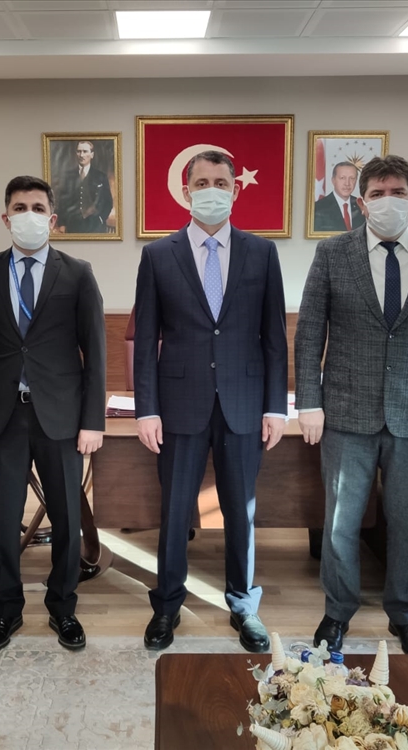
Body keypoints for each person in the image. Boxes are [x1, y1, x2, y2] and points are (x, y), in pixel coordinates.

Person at [294, 155, 408, 662]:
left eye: (396, 192)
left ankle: (406, 615)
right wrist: (309, 401)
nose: (387, 201)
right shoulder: (333, 253)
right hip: (346, 412)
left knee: (407, 523)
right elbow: (310, 332)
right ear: (361, 201)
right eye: (377, 194)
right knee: (340, 524)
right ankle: (337, 612)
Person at [133, 151, 288, 653]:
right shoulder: (158, 255)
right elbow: (146, 338)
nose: (212, 190)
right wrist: (147, 408)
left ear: (235, 190)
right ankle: (167, 606)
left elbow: (274, 338)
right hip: (179, 403)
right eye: (202, 182)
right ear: (186, 190)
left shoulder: (262, 253)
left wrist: (276, 406)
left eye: (221, 181)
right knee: (175, 510)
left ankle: (244, 605)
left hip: (244, 402)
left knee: (240, 511)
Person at [0, 175, 106, 654]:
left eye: (38, 208)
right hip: (2, 415)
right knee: (3, 518)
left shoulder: (77, 273)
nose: (29, 216)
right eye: (20, 208)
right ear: (6, 218)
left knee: (66, 516)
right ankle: (7, 608)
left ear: (53, 219)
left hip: (60, 416)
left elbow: (95, 351)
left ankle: (63, 607)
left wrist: (93, 421)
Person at [57, 140, 113, 234]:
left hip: (96, 226)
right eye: (79, 151)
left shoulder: (100, 176)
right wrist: (62, 224)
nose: (81, 155)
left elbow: (108, 202)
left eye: (85, 151)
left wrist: (101, 218)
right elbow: (62, 203)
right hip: (73, 226)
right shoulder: (68, 176)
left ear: (92, 155)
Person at [313, 162, 365, 233]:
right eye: (342, 178)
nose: (347, 183)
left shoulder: (362, 205)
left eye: (352, 178)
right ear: (333, 180)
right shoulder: (318, 208)